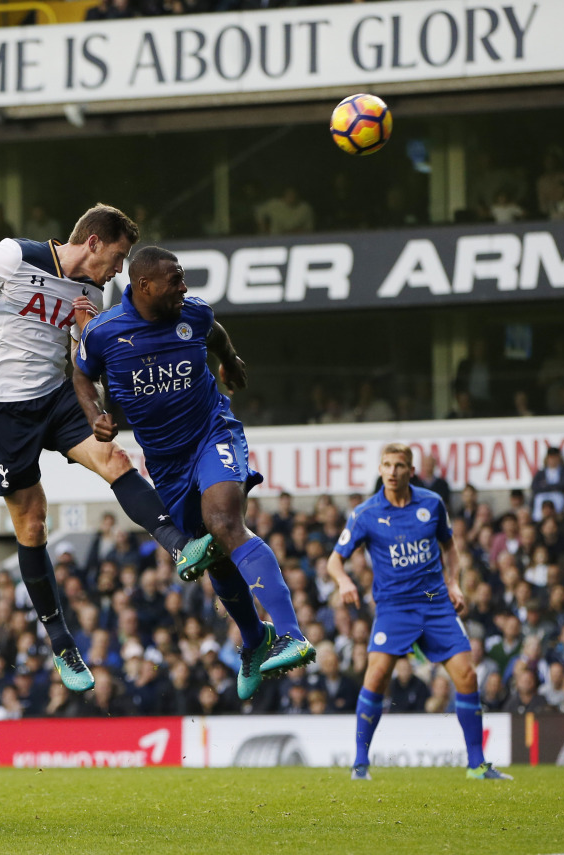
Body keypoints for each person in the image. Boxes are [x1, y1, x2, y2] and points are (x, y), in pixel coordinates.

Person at [0, 205, 213, 694]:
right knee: (33, 521)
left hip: (56, 394)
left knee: (116, 460)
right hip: (1, 404)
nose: (121, 269)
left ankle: (179, 546)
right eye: (119, 256)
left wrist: (95, 401)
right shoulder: (14, 256)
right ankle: (62, 644)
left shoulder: (94, 291)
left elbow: (80, 355)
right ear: (94, 242)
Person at [73, 245, 314, 702]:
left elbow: (217, 333)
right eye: (175, 280)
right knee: (213, 554)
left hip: (212, 433)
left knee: (225, 522)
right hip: (165, 462)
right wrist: (94, 413)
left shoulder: (194, 315)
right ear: (144, 287)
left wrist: (230, 360)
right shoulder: (104, 333)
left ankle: (290, 633)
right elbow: (82, 374)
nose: (184, 288)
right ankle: (254, 640)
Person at [327, 443, 511, 782]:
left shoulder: (432, 503)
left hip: (435, 604)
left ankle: (476, 765)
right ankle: (360, 764)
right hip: (394, 607)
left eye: (399, 465)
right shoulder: (365, 514)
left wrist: (453, 583)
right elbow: (334, 559)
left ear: (411, 471)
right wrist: (342, 582)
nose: (393, 472)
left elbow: (450, 547)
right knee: (377, 675)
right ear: (380, 470)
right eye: (387, 465)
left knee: (467, 676)